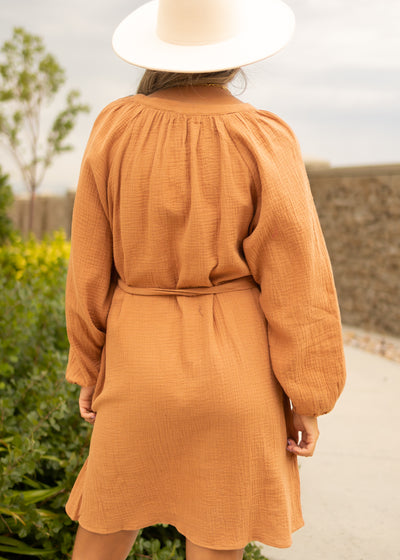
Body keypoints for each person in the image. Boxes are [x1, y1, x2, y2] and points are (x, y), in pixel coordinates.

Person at [64, 0, 347, 559]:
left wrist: (89, 364)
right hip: (236, 376)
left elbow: (89, 266)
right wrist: (306, 396)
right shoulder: (264, 137)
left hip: (137, 365)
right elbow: (300, 282)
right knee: (218, 537)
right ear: (236, 55)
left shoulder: (116, 127)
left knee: (104, 525)